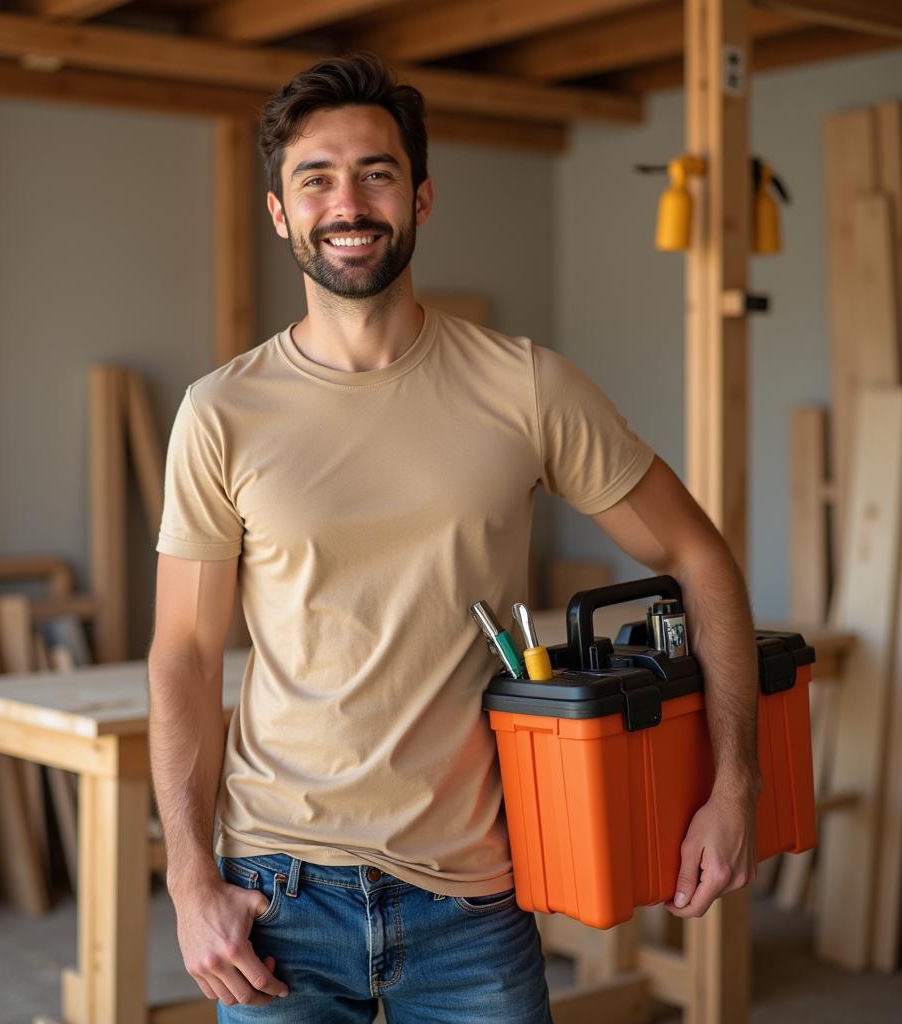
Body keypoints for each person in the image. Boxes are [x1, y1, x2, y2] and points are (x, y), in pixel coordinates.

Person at [148, 52, 760, 1023]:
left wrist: (736, 783)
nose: (347, 201)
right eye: (315, 178)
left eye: (375, 172)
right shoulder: (219, 413)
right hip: (279, 894)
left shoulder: (525, 388)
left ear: (421, 197)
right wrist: (187, 879)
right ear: (279, 212)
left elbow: (698, 556)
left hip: (470, 897)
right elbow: (181, 653)